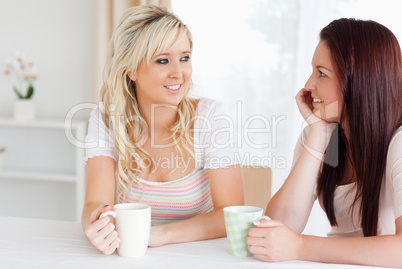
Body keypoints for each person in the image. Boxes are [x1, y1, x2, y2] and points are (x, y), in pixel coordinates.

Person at [82, 5, 244, 255]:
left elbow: (230, 213)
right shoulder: (106, 120)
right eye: (162, 60)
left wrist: (161, 234)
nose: (179, 73)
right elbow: (95, 202)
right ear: (131, 69)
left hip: (201, 256)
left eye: (185, 58)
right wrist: (97, 224)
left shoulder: (211, 117)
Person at [247, 18, 402, 267]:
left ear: (360, 80)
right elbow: (279, 229)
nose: (309, 85)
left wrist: (299, 246)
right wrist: (318, 136)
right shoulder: (321, 135)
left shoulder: (399, 142)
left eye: (322, 73)